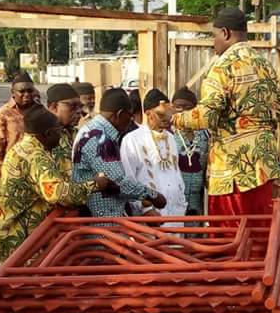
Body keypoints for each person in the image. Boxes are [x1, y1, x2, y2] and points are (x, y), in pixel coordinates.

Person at [173, 8, 280, 222]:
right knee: (263, 241)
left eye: (214, 36)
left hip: (234, 174)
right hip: (265, 169)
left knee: (232, 243)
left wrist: (175, 118)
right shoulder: (266, 66)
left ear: (225, 32)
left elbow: (207, 117)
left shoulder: (222, 66)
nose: (213, 43)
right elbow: (278, 112)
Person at [0, 105, 110, 264]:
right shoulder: (35, 157)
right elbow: (57, 193)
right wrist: (96, 184)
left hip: (22, 236)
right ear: (48, 134)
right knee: (26, 286)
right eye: (58, 132)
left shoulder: (26, 148)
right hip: (23, 241)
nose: (60, 136)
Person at [72, 88, 166, 218]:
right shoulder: (100, 138)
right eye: (130, 115)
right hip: (102, 220)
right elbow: (118, 182)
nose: (131, 119)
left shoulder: (93, 129)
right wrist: (153, 195)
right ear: (120, 114)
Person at [121, 89, 187, 220]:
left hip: (176, 213)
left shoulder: (172, 138)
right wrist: (145, 208)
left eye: (169, 114)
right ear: (148, 113)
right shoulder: (132, 140)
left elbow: (176, 174)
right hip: (150, 216)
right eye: (160, 114)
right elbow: (129, 180)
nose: (167, 118)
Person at [0, 72, 36, 189]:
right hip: (11, 175)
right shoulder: (2, 115)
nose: (27, 94)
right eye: (22, 91)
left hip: (37, 175)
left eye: (30, 91)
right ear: (13, 93)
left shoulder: (40, 112)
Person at [171, 86, 209, 217]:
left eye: (187, 108)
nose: (182, 112)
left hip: (197, 201)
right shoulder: (167, 135)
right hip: (173, 201)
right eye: (177, 107)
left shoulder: (206, 135)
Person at [46, 83, 83, 175]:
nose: (79, 111)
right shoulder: (43, 137)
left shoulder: (77, 134)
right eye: (73, 106)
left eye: (80, 106)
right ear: (54, 107)